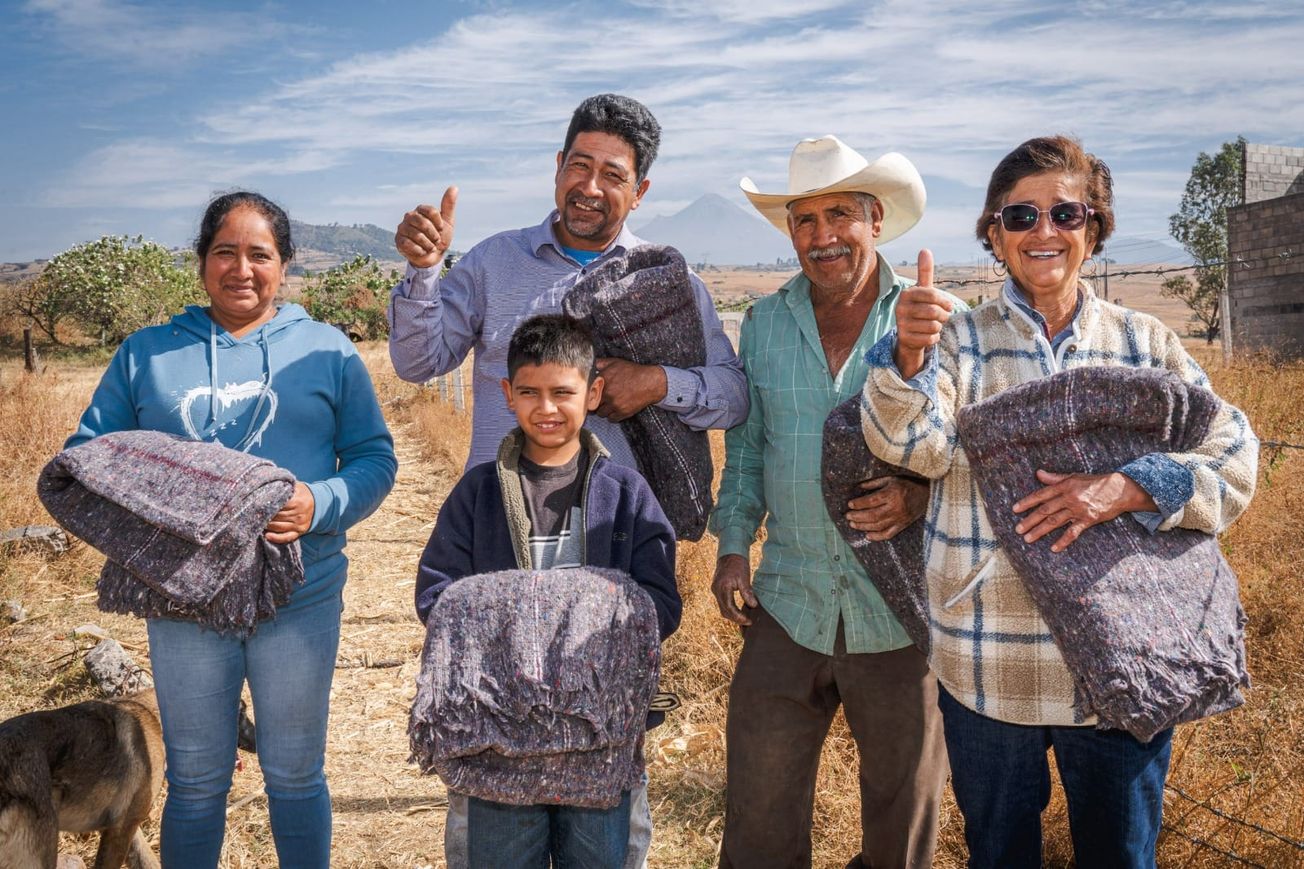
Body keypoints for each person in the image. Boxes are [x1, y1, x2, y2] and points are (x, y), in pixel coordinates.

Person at [861, 135, 1259, 867]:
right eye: (1020, 216)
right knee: (1000, 853)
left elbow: (1234, 456)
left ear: (1094, 229)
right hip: (988, 671)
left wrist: (1129, 487)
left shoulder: (1146, 345)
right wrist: (905, 359)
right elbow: (913, 450)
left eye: (1065, 213)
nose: (1043, 232)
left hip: (1119, 670)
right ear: (994, 236)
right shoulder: (960, 342)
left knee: (1119, 854)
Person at [66, 192, 398, 868]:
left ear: (284, 265)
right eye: (225, 251)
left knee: (295, 773)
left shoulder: (327, 352)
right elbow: (89, 457)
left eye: (259, 254)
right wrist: (149, 526)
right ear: (201, 261)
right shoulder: (147, 355)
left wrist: (319, 500)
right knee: (195, 779)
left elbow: (374, 458)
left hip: (299, 596)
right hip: (183, 600)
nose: (241, 268)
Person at [709, 135, 952, 868]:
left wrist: (917, 493)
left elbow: (971, 453)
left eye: (839, 215)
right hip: (788, 597)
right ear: (790, 233)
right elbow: (749, 450)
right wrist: (730, 548)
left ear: (875, 219)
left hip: (900, 609)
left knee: (901, 813)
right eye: (805, 221)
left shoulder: (934, 319)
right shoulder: (765, 324)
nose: (823, 238)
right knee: (759, 809)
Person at [413, 313, 681, 868]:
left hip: (599, 732)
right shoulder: (478, 493)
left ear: (594, 393)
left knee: (600, 855)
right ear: (507, 394)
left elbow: (659, 600)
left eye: (563, 392)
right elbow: (438, 594)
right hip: (498, 736)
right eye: (530, 392)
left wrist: (591, 631)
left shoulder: (626, 493)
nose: (548, 408)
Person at [387, 92, 747, 472]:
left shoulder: (670, 282)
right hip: (502, 521)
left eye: (612, 175)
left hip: (622, 525)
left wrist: (656, 384)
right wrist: (424, 271)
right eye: (579, 165)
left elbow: (735, 396)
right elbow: (417, 365)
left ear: (639, 192)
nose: (590, 187)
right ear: (559, 167)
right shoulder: (493, 262)